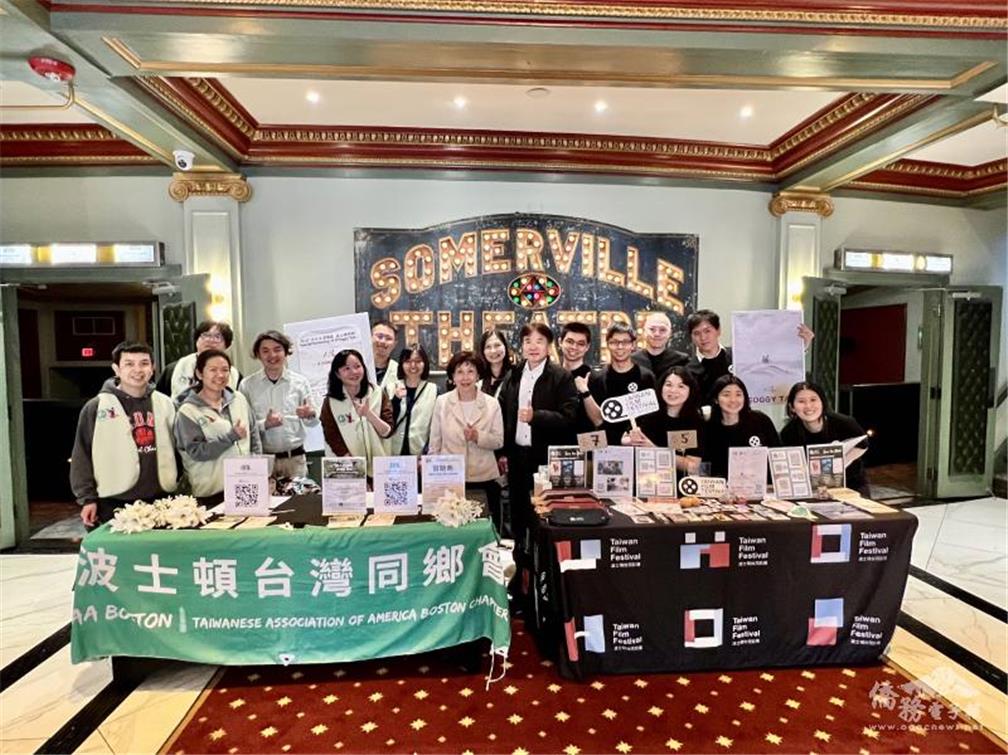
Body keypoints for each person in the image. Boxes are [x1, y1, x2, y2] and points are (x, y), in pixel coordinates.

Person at [71, 342, 179, 528]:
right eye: (129, 364)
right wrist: (87, 498)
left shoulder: (166, 403)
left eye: (144, 363)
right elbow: (82, 454)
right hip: (114, 501)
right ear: (116, 369)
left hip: (161, 498)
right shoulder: (97, 406)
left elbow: (178, 449)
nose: (138, 370)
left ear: (152, 368)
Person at [499, 323, 578, 562]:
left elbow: (569, 418)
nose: (533, 347)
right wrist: (502, 452)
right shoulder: (513, 374)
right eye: (527, 341)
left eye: (539, 341)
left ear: (549, 346)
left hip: (545, 459)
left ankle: (544, 566)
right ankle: (520, 564)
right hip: (516, 456)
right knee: (518, 514)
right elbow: (502, 412)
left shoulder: (561, 376)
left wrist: (537, 416)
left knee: (544, 516)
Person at [428, 351, 505, 531]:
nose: (465, 377)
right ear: (452, 376)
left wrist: (478, 436)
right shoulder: (442, 402)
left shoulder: (491, 403)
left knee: (484, 531)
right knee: (452, 531)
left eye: (470, 372)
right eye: (460, 372)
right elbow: (435, 442)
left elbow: (499, 441)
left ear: (478, 375)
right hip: (450, 478)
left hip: (484, 478)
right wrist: (432, 476)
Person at [174, 349, 261, 506]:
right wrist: (230, 437)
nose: (220, 375)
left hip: (244, 486)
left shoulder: (239, 399)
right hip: (210, 492)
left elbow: (254, 436)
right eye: (213, 370)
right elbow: (196, 452)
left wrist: (258, 471)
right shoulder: (188, 411)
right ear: (200, 374)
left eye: (225, 370)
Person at [238, 330, 318, 482]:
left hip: (295, 460)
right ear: (258, 355)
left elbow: (313, 423)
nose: (272, 355)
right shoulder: (247, 385)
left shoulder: (300, 382)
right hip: (262, 461)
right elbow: (244, 427)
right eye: (265, 351)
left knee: (300, 498)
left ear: (286, 352)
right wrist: (265, 424)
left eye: (277, 349)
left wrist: (310, 415)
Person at [686, 309, 814, 402]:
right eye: (696, 333)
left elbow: (771, 364)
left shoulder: (739, 355)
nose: (703, 337)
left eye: (707, 331)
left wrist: (801, 347)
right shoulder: (689, 370)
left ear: (718, 330)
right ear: (691, 337)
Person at [782, 380, 871, 496]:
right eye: (801, 401)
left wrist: (842, 463)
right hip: (812, 488)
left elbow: (863, 444)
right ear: (792, 407)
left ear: (822, 402)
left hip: (852, 483)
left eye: (813, 400)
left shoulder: (843, 422)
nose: (808, 406)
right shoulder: (788, 432)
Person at [319, 348, 393, 476]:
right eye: (346, 368)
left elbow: (387, 432)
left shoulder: (377, 393)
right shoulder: (331, 402)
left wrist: (368, 414)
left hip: (380, 468)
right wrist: (356, 472)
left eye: (357, 366)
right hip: (348, 469)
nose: (353, 372)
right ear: (337, 374)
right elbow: (332, 437)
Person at [583, 323, 656, 446]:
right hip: (608, 448)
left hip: (640, 445)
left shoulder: (646, 377)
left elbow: (653, 417)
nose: (620, 347)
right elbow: (596, 421)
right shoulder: (597, 379)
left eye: (625, 342)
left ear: (633, 345)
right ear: (607, 344)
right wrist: (619, 439)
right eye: (614, 342)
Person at [624, 366, 705, 473]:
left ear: (690, 390)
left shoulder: (695, 422)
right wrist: (632, 440)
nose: (673, 390)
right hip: (643, 477)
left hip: (676, 481)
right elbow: (624, 439)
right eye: (668, 385)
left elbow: (692, 466)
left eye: (681, 386)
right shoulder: (647, 412)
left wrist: (654, 450)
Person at [702, 374, 779, 479]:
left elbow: (777, 454)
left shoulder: (760, 421)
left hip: (763, 485)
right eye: (726, 395)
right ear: (716, 399)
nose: (733, 400)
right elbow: (706, 467)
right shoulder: (709, 429)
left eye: (738, 394)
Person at [163, 320, 241, 400]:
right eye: (206, 335)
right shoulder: (173, 369)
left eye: (217, 337)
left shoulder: (234, 375)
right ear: (196, 340)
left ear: (226, 345)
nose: (211, 340)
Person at [387, 343, 438, 456]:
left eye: (418, 361)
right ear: (401, 364)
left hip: (421, 453)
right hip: (393, 453)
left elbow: (436, 427)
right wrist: (396, 400)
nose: (413, 365)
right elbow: (386, 422)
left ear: (425, 364)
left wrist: (427, 453)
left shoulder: (434, 390)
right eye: (408, 361)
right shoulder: (390, 388)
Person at [559, 322, 596, 435]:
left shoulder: (594, 377)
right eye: (570, 342)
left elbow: (600, 421)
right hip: (554, 442)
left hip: (585, 441)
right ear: (560, 342)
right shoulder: (551, 375)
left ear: (587, 347)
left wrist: (585, 392)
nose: (574, 347)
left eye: (580, 344)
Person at [631, 311, 689, 379]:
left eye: (662, 330)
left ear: (670, 333)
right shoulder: (632, 361)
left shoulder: (682, 361)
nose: (657, 334)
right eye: (652, 329)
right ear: (644, 331)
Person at [479, 328, 513, 399]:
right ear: (483, 352)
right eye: (488, 347)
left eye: (497, 345)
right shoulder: (478, 378)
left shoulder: (516, 376)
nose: (493, 351)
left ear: (505, 347)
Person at [371, 321, 399, 394]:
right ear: (370, 337)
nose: (383, 341)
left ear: (395, 344)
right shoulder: (356, 367)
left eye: (388, 338)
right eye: (379, 336)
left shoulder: (399, 371)